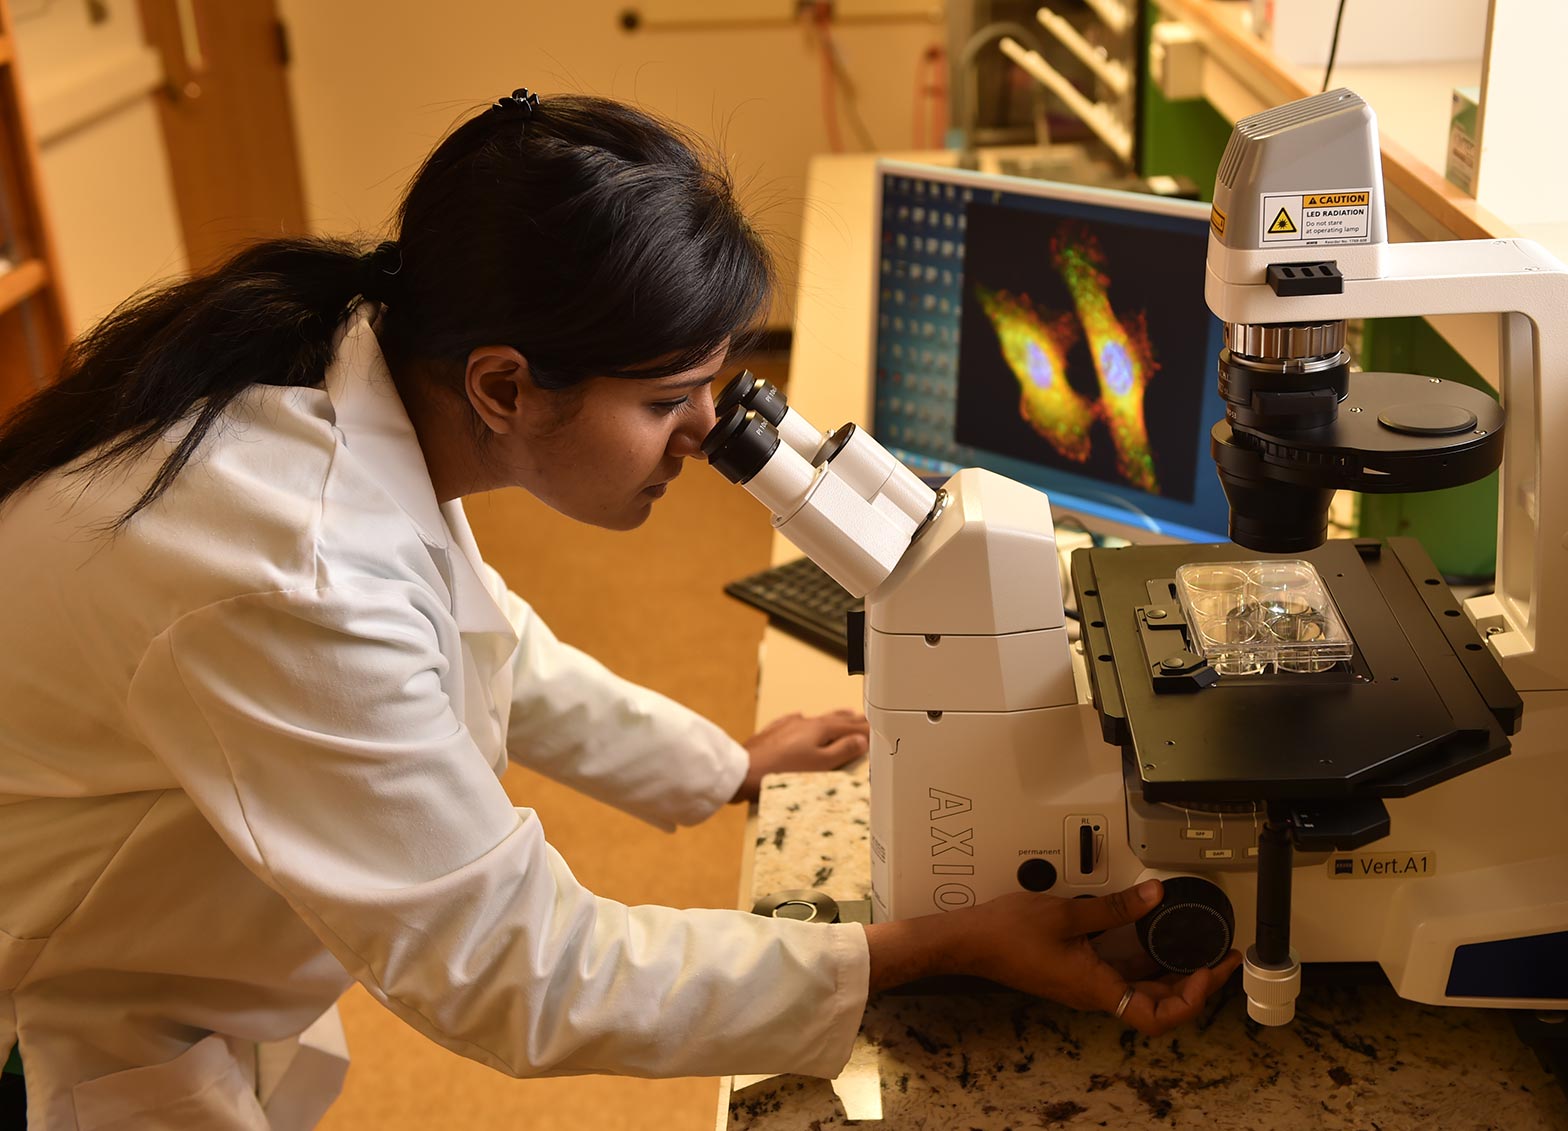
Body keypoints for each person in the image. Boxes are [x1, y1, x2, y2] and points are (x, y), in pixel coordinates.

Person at [0, 90, 1241, 1129]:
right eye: (667, 403)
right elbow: (516, 970)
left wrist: (717, 767)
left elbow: (482, 636)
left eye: (717, 391)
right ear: (504, 384)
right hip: (56, 1017)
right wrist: (921, 948)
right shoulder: (292, 568)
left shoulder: (374, 371)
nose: (705, 440)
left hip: (164, 944)